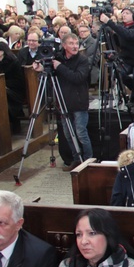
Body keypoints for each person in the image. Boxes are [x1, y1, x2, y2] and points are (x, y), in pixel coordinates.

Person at [33, 33, 93, 170]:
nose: (75, 46)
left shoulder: (82, 60)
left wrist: (59, 67)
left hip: (78, 102)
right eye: (71, 44)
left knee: (81, 133)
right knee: (67, 134)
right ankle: (76, 159)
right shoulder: (58, 58)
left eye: (76, 43)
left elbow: (78, 78)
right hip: (63, 102)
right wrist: (42, 68)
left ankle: (89, 161)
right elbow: (51, 73)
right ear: (64, 45)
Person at [100, 8, 134, 108]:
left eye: (127, 13)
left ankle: (133, 99)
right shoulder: (122, 28)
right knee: (119, 74)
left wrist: (109, 22)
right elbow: (119, 42)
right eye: (123, 13)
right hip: (125, 60)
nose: (124, 15)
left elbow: (127, 35)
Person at [0, 41, 26, 132]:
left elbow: (19, 82)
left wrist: (3, 84)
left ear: (2, 51)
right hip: (2, 89)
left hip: (15, 91)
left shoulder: (13, 62)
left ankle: (5, 125)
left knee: (0, 95)